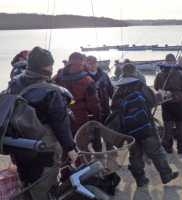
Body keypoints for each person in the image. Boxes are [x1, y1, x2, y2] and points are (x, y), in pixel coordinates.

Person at [7, 46, 78, 200]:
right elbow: (60, 123)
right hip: (44, 148)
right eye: (51, 65)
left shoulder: (15, 83)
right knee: (42, 188)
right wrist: (70, 148)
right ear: (46, 67)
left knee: (25, 184)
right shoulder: (51, 91)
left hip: (18, 145)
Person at [109, 63, 179, 187]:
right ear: (135, 73)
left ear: (123, 73)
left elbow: (113, 108)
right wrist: (161, 95)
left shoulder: (118, 90)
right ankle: (166, 176)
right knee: (157, 151)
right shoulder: (140, 85)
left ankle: (141, 180)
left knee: (135, 154)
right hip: (146, 125)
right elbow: (153, 102)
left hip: (128, 129)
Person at [52, 52, 102, 180]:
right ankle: (85, 175)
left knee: (65, 147)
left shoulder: (56, 77)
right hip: (80, 120)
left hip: (61, 120)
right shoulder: (87, 79)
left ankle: (64, 175)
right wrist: (97, 121)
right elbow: (94, 103)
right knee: (82, 148)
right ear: (82, 61)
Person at [154, 53, 182, 154]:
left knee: (167, 125)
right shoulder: (180, 73)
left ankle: (167, 147)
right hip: (178, 102)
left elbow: (156, 87)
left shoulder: (160, 74)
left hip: (166, 102)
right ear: (175, 62)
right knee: (181, 125)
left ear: (165, 61)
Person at [86, 55, 115, 122]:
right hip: (91, 112)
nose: (93, 65)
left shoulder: (104, 74)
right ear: (86, 64)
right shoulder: (85, 77)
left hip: (105, 109)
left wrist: (115, 105)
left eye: (94, 63)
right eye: (90, 63)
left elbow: (111, 91)